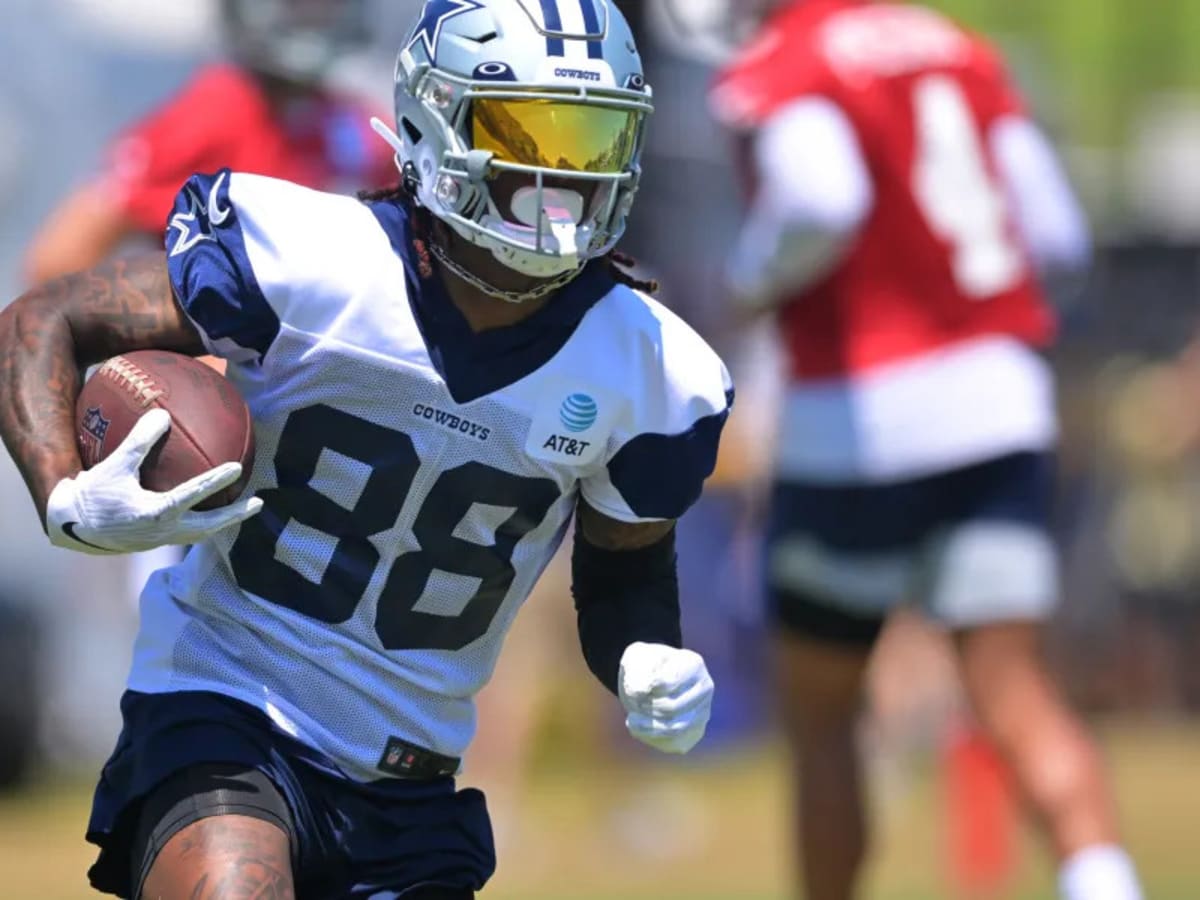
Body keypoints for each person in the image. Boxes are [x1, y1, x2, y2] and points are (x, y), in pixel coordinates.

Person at [0, 1, 731, 897]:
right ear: (438, 117)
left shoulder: (654, 370)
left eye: (591, 141)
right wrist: (65, 494)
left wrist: (642, 653)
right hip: (230, 702)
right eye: (529, 134)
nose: (562, 178)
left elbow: (625, 577)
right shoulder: (309, 260)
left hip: (410, 776)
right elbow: (45, 315)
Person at [710, 2, 1142, 900]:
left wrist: (746, 282)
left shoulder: (794, 57)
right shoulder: (959, 46)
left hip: (857, 425)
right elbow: (1056, 232)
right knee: (1015, 693)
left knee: (824, 720)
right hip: (1000, 408)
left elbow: (823, 200)